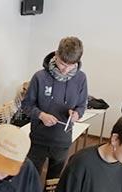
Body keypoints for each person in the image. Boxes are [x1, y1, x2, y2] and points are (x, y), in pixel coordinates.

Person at [22, 36, 88, 179]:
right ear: (56, 55)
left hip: (62, 141)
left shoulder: (81, 78)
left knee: (54, 179)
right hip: (38, 139)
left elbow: (82, 105)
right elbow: (26, 105)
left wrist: (77, 114)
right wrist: (41, 115)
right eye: (63, 64)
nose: (66, 70)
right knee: (31, 177)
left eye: (71, 65)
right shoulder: (40, 77)